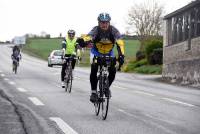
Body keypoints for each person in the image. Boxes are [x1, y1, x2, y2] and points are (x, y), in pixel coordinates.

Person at [79, 13, 125, 103]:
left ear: (109, 23)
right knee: (94, 68)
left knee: (113, 70)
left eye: (106, 22)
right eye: (102, 22)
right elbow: (89, 36)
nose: (104, 24)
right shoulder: (96, 30)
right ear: (99, 23)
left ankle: (106, 87)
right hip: (96, 51)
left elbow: (120, 42)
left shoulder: (114, 31)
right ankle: (93, 92)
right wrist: (83, 41)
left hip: (109, 52)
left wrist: (121, 55)